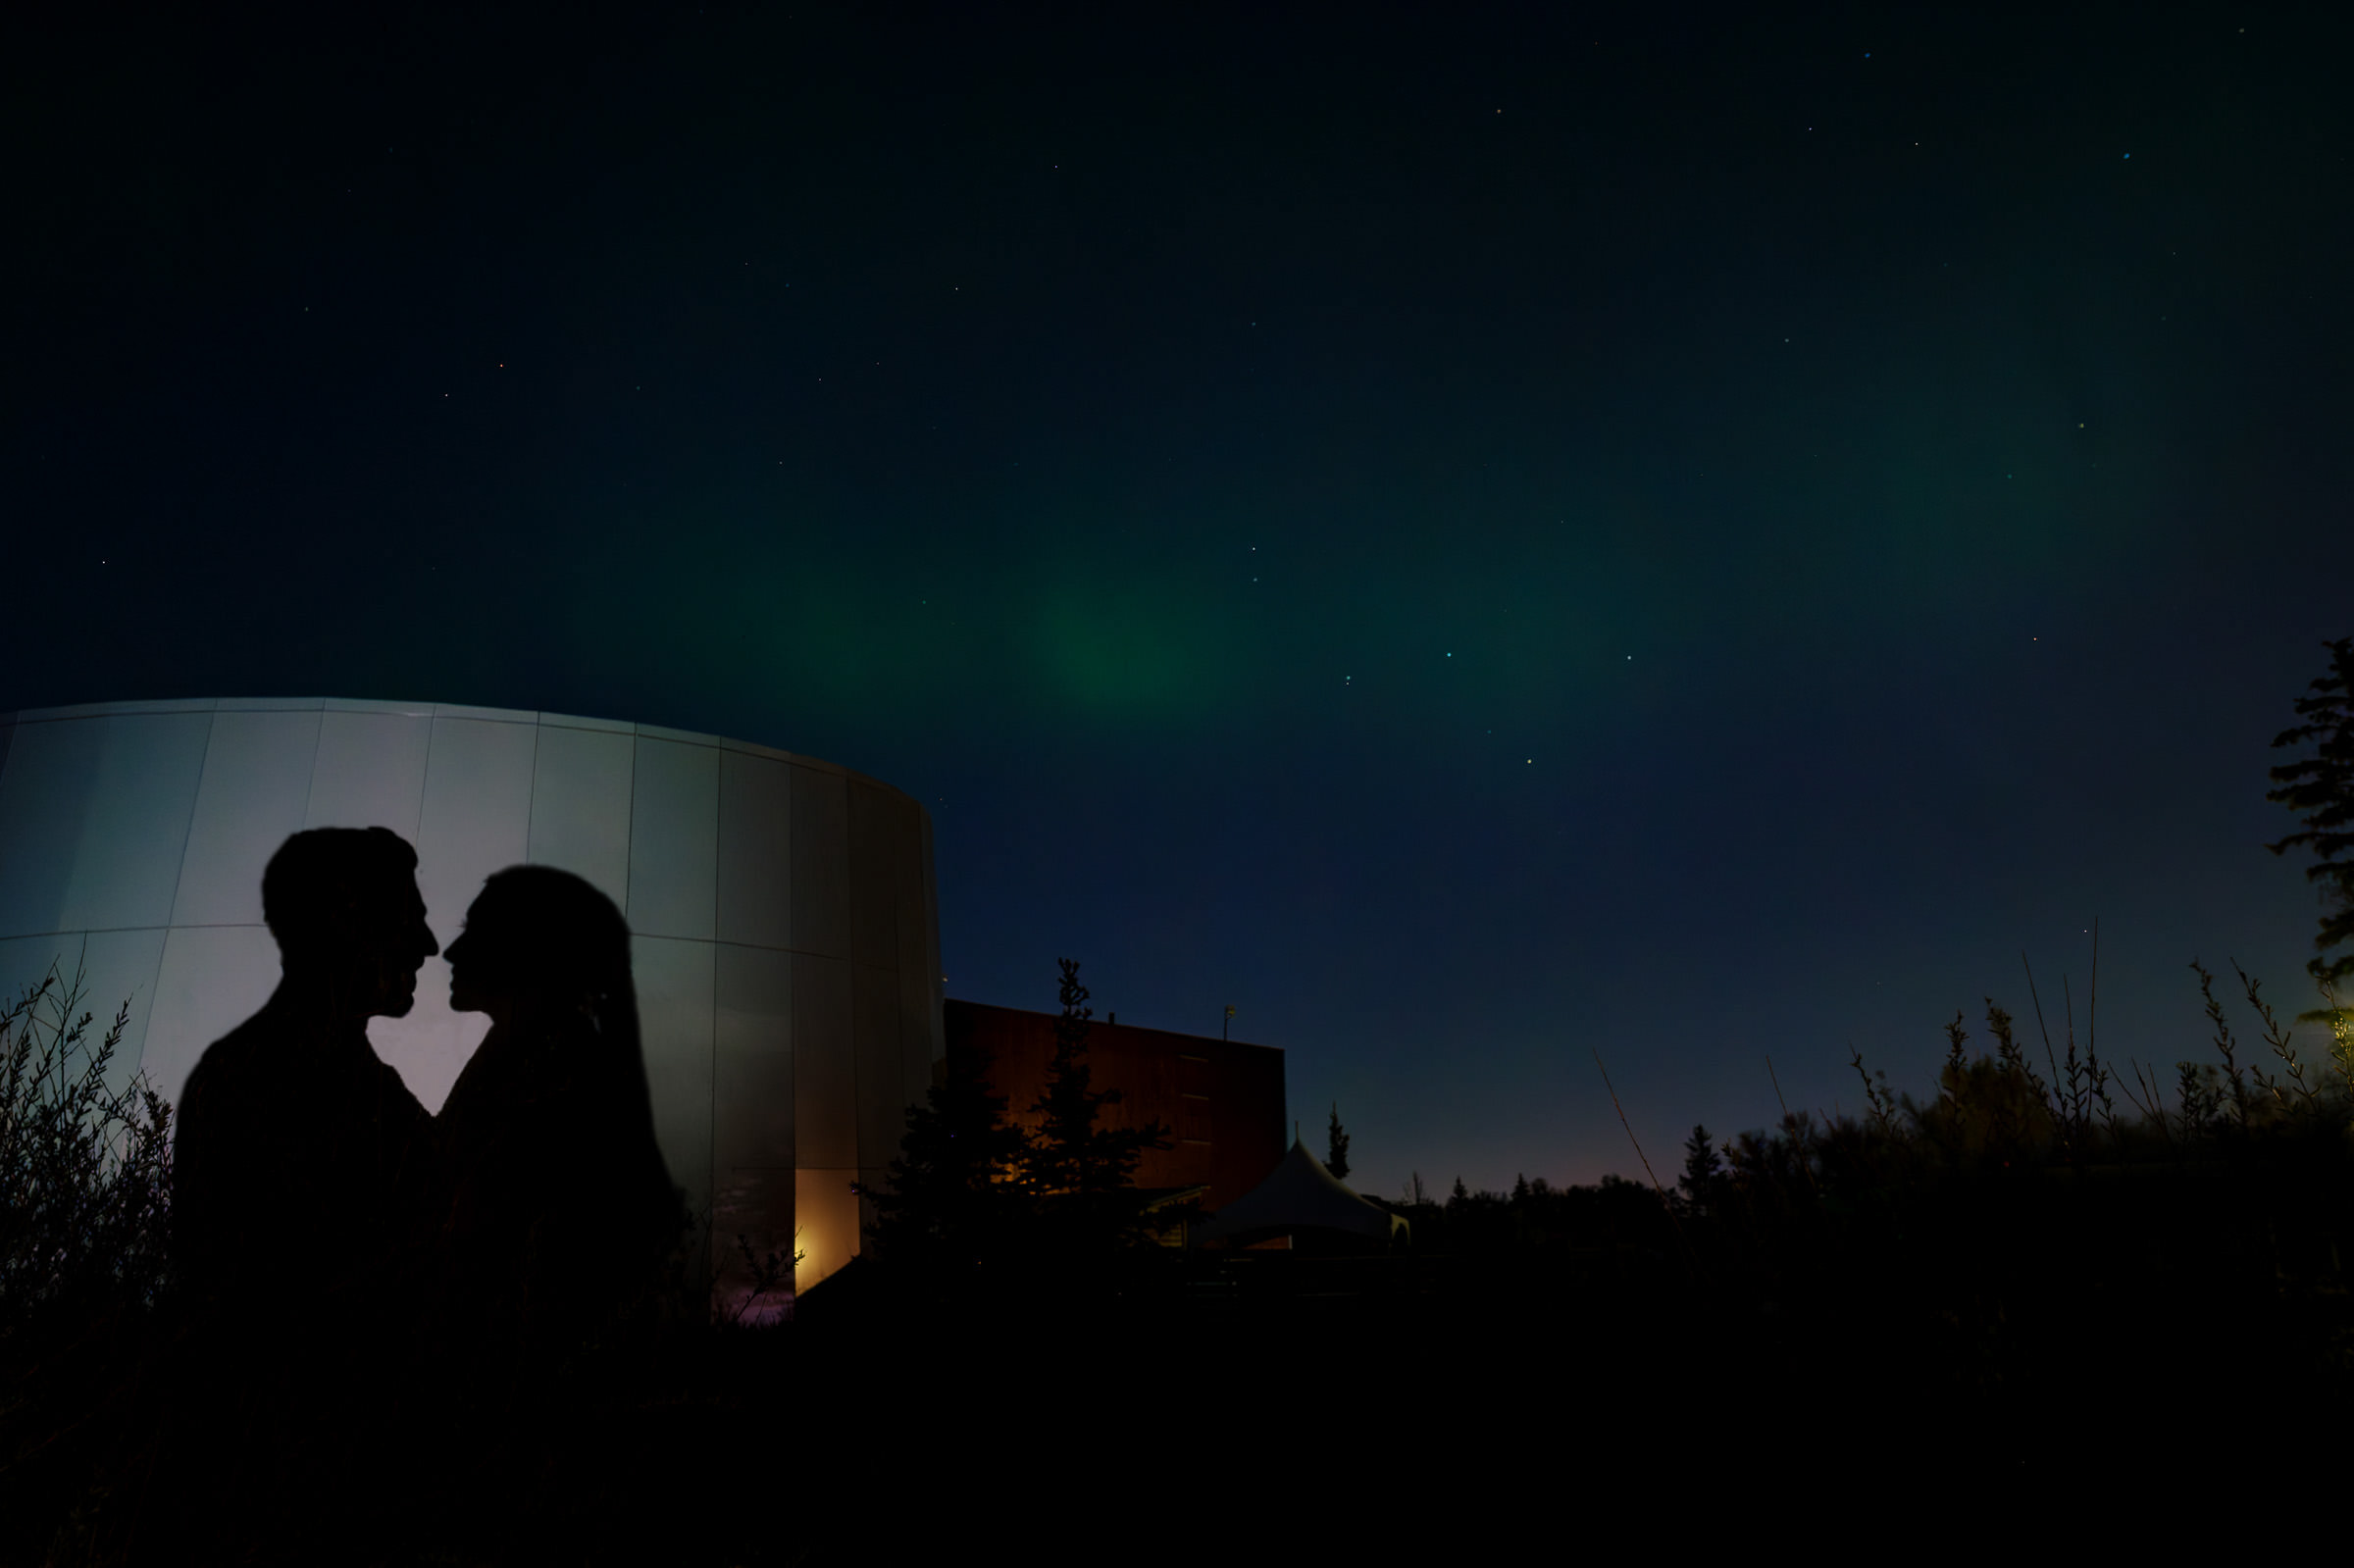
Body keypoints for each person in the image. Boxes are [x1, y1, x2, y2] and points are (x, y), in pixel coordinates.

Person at [171, 826, 447, 1316]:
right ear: (345, 921)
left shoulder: (379, 1094)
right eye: (407, 920)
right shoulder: (244, 1082)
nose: (427, 945)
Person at [435, 865, 686, 1344]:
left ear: (525, 950)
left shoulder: (554, 1079)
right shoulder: (519, 1060)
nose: (450, 952)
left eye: (475, 933)